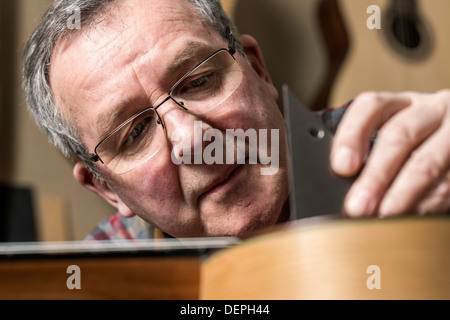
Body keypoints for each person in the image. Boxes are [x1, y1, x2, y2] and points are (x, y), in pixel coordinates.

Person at [23, 0, 450, 240]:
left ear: (259, 71)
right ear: (104, 187)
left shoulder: (400, 152)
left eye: (199, 81)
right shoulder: (107, 271)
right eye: (134, 132)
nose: (193, 139)